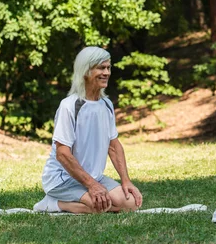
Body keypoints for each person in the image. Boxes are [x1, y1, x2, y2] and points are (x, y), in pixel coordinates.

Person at [35, 46, 142, 213]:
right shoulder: (69, 106)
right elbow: (62, 153)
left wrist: (126, 180)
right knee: (100, 206)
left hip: (94, 177)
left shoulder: (106, 105)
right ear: (85, 71)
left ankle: (90, 198)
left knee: (131, 204)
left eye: (108, 68)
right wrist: (92, 185)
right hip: (61, 179)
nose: (106, 73)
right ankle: (52, 203)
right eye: (101, 68)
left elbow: (113, 146)